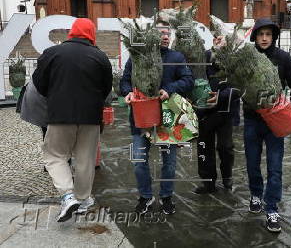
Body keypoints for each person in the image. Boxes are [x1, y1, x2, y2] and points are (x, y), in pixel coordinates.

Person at [32, 18, 113, 222]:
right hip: (91, 117)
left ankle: (68, 196)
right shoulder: (100, 57)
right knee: (85, 159)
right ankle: (84, 200)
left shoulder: (52, 53)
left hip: (60, 115)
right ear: (91, 34)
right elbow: (106, 89)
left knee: (54, 155)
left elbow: (39, 83)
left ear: (72, 32)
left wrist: (56, 94)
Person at [120, 20, 194, 215]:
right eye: (161, 32)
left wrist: (169, 89)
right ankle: (145, 197)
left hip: (167, 120)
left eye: (167, 33)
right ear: (151, 36)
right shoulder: (138, 56)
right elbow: (125, 79)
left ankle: (166, 197)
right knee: (138, 161)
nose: (165, 36)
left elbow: (188, 80)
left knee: (169, 163)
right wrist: (127, 92)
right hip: (141, 119)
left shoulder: (176, 57)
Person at [245, 18, 291, 233]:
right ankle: (256, 195)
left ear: (273, 36)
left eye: (268, 34)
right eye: (261, 34)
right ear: (255, 37)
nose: (264, 38)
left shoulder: (283, 58)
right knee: (252, 163)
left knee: (275, 166)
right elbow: (237, 82)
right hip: (252, 119)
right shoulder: (247, 58)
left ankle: (271, 208)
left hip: (276, 120)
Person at [194, 35, 240, 194]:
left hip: (225, 112)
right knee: (204, 148)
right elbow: (195, 77)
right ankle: (208, 182)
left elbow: (240, 88)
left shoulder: (235, 61)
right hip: (204, 112)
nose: (219, 41)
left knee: (225, 147)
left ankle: (227, 178)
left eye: (223, 39)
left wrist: (221, 96)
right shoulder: (205, 57)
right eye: (217, 38)